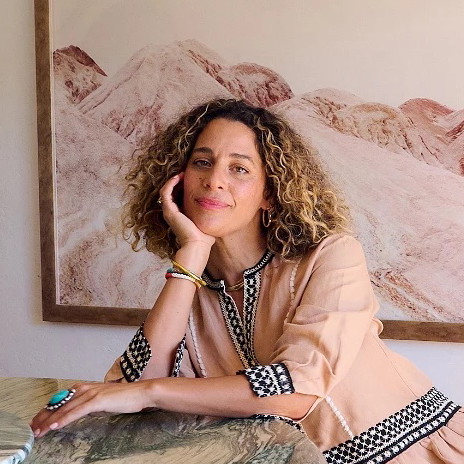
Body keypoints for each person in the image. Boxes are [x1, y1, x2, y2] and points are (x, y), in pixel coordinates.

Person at [31, 99, 463, 463]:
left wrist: (152, 392)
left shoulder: (332, 256)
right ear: (177, 182)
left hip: (415, 454)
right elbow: (127, 393)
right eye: (202, 162)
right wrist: (192, 255)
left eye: (239, 169)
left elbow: (296, 389)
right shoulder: (190, 287)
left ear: (270, 192)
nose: (214, 179)